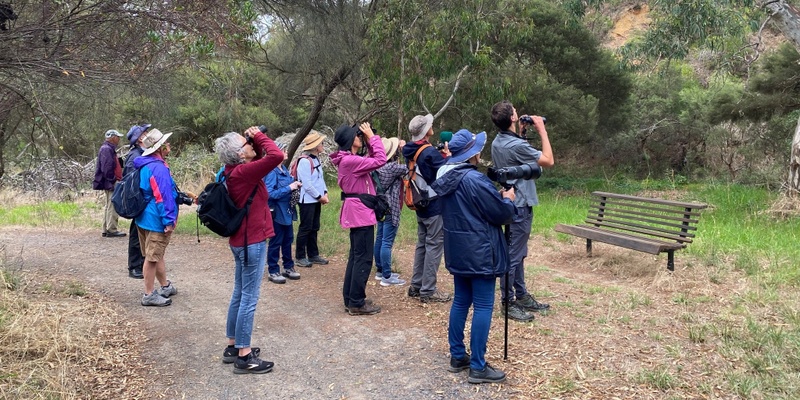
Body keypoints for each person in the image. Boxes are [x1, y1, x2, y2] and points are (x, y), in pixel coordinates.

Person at [431, 128, 516, 384]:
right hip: (481, 251)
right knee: (482, 306)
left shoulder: (445, 176)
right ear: (473, 154)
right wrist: (508, 199)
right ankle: (478, 366)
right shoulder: (474, 180)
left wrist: (496, 198)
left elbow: (473, 206)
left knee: (460, 302)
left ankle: (458, 355)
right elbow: (501, 214)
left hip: (458, 248)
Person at [215, 126, 283, 374]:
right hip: (251, 242)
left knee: (239, 293)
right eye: (246, 143)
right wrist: (261, 136)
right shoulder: (244, 172)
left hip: (240, 241)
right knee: (249, 297)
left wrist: (252, 140)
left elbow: (266, 157)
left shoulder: (231, 170)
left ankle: (233, 346)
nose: (251, 144)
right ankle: (244, 356)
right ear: (240, 154)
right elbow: (277, 156)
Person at [490, 100, 554, 322]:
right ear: (513, 119)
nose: (519, 114)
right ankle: (507, 302)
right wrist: (542, 131)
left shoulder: (499, 141)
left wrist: (523, 132)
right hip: (520, 204)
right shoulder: (515, 145)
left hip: (509, 201)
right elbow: (548, 160)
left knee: (517, 252)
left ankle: (522, 294)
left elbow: (518, 155)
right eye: (516, 113)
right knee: (514, 255)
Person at [329, 122, 386, 315]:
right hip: (361, 214)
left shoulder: (349, 159)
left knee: (356, 256)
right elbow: (380, 159)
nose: (360, 137)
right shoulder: (349, 161)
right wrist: (372, 137)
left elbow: (371, 159)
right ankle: (356, 303)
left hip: (357, 212)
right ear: (350, 140)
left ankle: (351, 298)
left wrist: (369, 141)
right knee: (363, 258)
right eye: (357, 135)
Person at [401, 114, 451, 303]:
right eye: (430, 125)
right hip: (433, 204)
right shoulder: (429, 152)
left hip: (419, 202)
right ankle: (428, 290)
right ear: (425, 131)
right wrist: (448, 156)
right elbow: (446, 172)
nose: (433, 126)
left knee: (422, 245)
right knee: (434, 246)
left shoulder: (410, 150)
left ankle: (416, 285)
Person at [133, 129, 179, 307]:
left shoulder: (145, 164)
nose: (169, 145)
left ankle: (165, 286)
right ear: (159, 148)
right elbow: (163, 196)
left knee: (156, 254)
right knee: (152, 258)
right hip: (156, 220)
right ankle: (149, 294)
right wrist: (168, 221)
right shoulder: (158, 168)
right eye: (165, 143)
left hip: (144, 217)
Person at [264, 142, 302, 284]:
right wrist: (290, 187)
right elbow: (269, 194)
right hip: (276, 212)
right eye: (283, 150)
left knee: (288, 240)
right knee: (276, 241)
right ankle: (273, 270)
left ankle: (288, 267)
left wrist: (295, 185)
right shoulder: (271, 171)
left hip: (287, 211)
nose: (286, 152)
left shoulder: (284, 169)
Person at [373, 137, 408, 287]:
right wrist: (405, 150)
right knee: (387, 242)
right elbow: (409, 168)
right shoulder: (392, 168)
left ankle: (380, 270)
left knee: (380, 238)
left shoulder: (377, 167)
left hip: (380, 207)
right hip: (391, 207)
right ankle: (386, 276)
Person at [294, 131, 330, 268]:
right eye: (321, 143)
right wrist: (320, 197)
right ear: (315, 146)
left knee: (314, 227)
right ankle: (300, 256)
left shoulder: (316, 159)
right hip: (307, 201)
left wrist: (325, 193)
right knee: (305, 228)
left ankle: (313, 254)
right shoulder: (304, 161)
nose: (323, 145)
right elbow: (307, 184)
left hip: (315, 200)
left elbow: (320, 179)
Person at [123, 123, 152, 279]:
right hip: (138, 201)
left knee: (141, 232)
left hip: (143, 200)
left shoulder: (143, 153)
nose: (148, 134)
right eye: (146, 132)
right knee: (136, 233)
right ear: (140, 138)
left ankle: (142, 263)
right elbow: (130, 181)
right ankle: (134, 266)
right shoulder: (135, 156)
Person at [93, 129, 126, 238]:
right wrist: (113, 179)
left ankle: (106, 228)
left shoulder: (107, 148)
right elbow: (106, 168)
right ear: (112, 137)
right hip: (111, 182)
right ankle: (111, 229)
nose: (119, 139)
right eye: (117, 137)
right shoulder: (107, 149)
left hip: (110, 182)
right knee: (113, 204)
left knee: (109, 205)